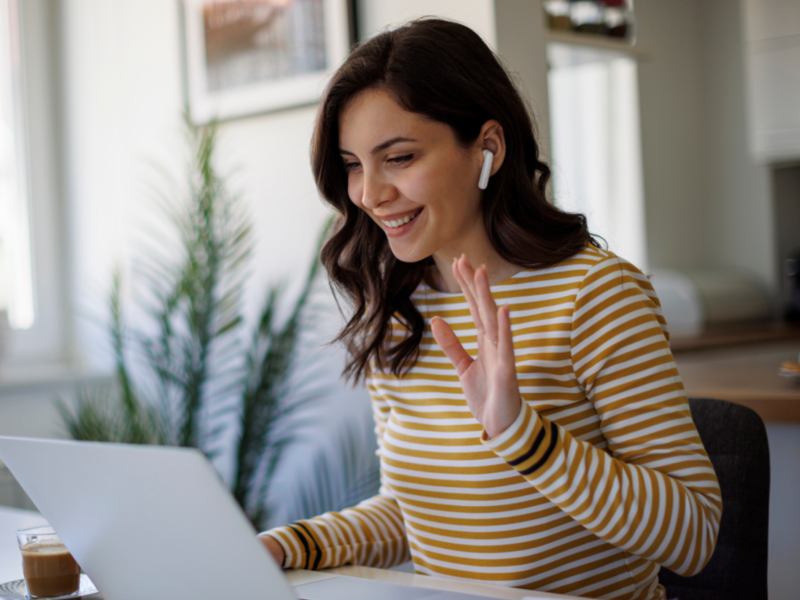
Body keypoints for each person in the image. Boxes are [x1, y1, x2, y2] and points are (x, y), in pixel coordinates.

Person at [258, 18, 721, 600]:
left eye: (398, 158)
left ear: (488, 148)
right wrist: (284, 546)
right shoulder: (399, 308)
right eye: (353, 164)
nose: (369, 194)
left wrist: (523, 437)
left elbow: (695, 535)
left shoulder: (595, 297)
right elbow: (419, 512)